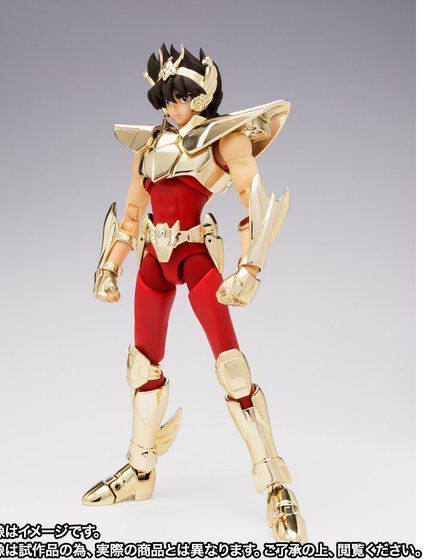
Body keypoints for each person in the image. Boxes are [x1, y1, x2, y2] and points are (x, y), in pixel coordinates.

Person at [81, 43, 307, 543]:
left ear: (201, 95)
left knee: (232, 366)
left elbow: (253, 199)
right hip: (153, 261)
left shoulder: (223, 140)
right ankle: (140, 470)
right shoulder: (148, 146)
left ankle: (275, 485)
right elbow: (132, 215)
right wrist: (109, 265)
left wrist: (249, 267)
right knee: (142, 365)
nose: (172, 106)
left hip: (195, 256)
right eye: (165, 97)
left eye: (181, 96)